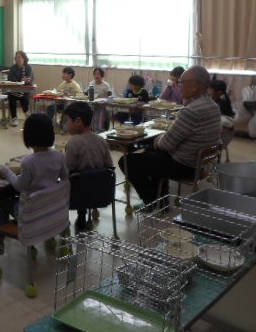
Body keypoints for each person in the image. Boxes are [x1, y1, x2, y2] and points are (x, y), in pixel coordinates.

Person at [118, 66, 221, 205]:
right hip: (199, 163)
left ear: (195, 86)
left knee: (126, 161)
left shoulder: (191, 111)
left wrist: (157, 140)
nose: (180, 86)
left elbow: (166, 144)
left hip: (184, 165)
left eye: (182, 82)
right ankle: (162, 202)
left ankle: (152, 201)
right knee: (150, 152)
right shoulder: (213, 106)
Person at [0, 113, 68, 254]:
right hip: (51, 212)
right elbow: (64, 178)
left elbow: (20, 186)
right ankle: (48, 237)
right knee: (21, 200)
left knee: (4, 203)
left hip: (32, 216)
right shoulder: (59, 156)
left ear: (28, 136)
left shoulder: (29, 162)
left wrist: (6, 172)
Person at [63, 102, 113, 231]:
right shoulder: (102, 141)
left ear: (78, 121)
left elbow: (67, 171)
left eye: (67, 120)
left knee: (73, 180)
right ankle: (85, 213)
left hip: (77, 196)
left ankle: (75, 217)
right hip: (101, 193)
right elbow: (110, 166)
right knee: (86, 181)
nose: (65, 124)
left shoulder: (73, 143)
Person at [7, 51, 34, 127]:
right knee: (11, 97)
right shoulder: (13, 68)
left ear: (24, 58)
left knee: (24, 97)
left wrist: (27, 80)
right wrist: (20, 80)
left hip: (25, 89)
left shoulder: (28, 67)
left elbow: (30, 78)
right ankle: (14, 118)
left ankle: (27, 113)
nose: (17, 59)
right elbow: (10, 79)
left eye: (19, 57)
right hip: (14, 89)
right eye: (16, 57)